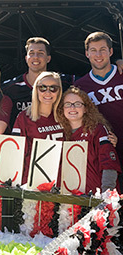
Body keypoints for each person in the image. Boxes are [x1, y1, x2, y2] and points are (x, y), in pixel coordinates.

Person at [74, 31, 123, 192]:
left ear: (110, 51)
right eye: (93, 50)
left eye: (102, 49)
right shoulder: (81, 86)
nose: (98, 54)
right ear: (87, 54)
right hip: (107, 156)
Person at [57, 86, 121, 194]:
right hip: (69, 200)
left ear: (86, 108)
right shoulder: (57, 133)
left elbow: (109, 164)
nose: (72, 108)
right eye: (68, 104)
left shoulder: (97, 129)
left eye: (78, 104)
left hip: (96, 197)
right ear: (62, 108)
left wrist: (107, 195)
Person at [12, 71, 64, 184]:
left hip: (61, 182)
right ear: (36, 90)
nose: (48, 92)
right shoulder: (24, 117)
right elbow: (16, 154)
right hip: (33, 180)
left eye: (53, 88)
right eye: (43, 88)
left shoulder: (65, 116)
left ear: (59, 91)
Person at [1, 37, 51, 129]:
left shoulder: (61, 84)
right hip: (18, 140)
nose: (35, 57)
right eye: (31, 53)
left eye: (41, 53)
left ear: (48, 58)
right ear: (26, 58)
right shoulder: (9, 88)